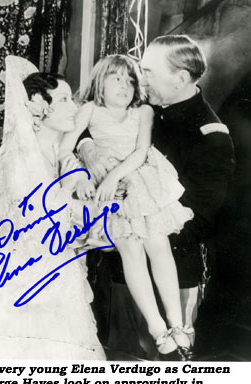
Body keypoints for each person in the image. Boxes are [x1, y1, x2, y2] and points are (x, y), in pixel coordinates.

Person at [78, 35, 235, 357]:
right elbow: (88, 125)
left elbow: (200, 217)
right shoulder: (144, 110)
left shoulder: (209, 134)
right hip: (121, 269)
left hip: (172, 274)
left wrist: (138, 230)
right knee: (121, 360)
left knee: (165, 368)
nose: (139, 78)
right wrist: (87, 147)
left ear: (179, 78)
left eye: (148, 71)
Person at [0, 56, 105, 360]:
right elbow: (24, 226)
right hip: (20, 282)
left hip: (59, 275)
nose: (73, 106)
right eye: (63, 99)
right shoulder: (13, 159)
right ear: (37, 105)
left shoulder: (63, 156)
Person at [59, 54, 194, 360]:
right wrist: (81, 173)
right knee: (131, 250)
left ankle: (178, 323)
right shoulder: (89, 109)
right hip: (110, 191)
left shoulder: (143, 111)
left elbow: (141, 150)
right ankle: (158, 329)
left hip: (140, 178)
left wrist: (113, 178)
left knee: (158, 246)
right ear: (99, 83)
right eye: (116, 78)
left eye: (130, 80)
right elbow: (64, 147)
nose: (124, 85)